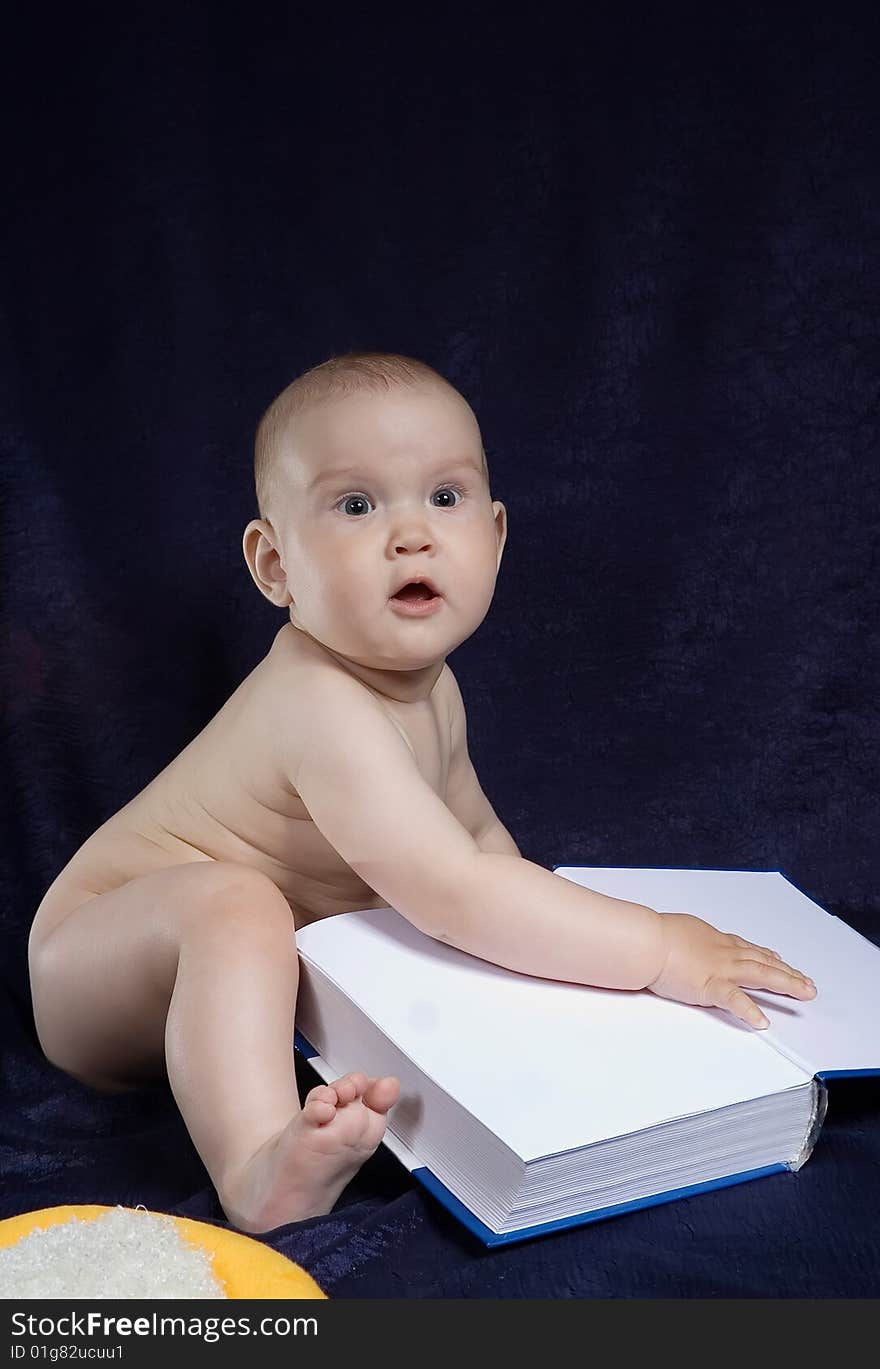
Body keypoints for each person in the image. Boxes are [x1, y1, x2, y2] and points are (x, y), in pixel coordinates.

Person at [27, 351, 817, 1234]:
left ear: (497, 534)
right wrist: (657, 948)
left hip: (208, 987)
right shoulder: (316, 700)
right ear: (274, 563)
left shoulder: (430, 687)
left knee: (343, 923)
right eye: (357, 505)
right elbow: (453, 888)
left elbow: (478, 840)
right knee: (237, 903)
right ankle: (258, 1168)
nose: (412, 534)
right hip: (92, 964)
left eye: (445, 497)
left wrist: (558, 957)